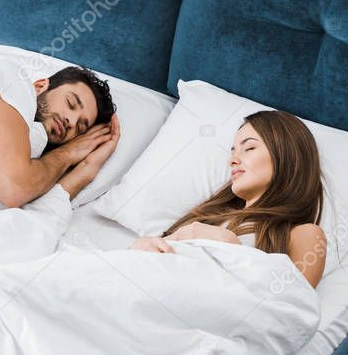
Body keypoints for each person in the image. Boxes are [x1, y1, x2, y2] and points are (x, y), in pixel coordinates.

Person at [129, 110, 327, 288]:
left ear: (288, 157)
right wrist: (138, 248)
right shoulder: (208, 217)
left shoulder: (305, 234)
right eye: (232, 151)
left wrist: (230, 247)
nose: (232, 160)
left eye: (249, 148)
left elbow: (291, 309)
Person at [0, 64, 119, 207]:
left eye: (80, 127)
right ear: (40, 86)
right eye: (70, 103)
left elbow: (20, 222)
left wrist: (87, 167)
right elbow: (13, 190)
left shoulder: (31, 160)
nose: (71, 122)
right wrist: (67, 153)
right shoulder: (11, 80)